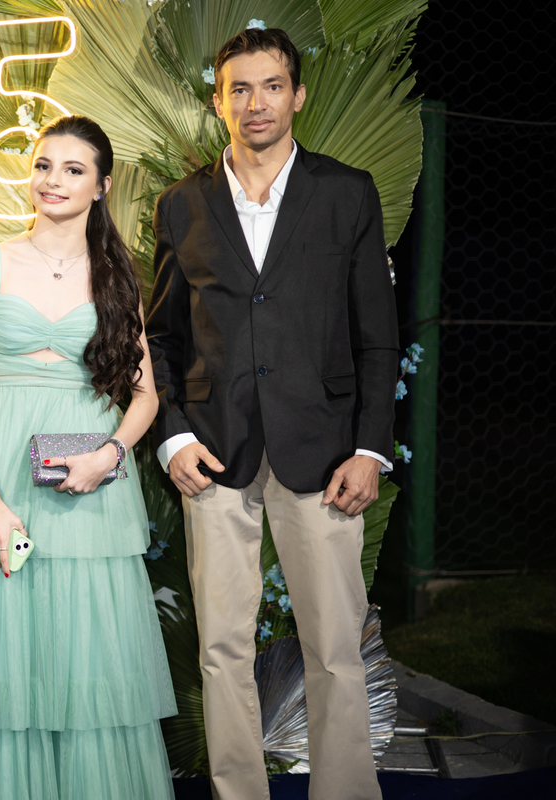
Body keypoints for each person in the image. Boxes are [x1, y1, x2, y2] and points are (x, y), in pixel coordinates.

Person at [147, 27, 397, 800]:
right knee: (221, 650)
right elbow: (160, 335)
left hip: (324, 456)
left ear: (298, 95)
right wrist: (172, 436)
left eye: (272, 86)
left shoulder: (346, 193)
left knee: (335, 649)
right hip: (213, 453)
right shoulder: (181, 204)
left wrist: (369, 449)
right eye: (240, 89)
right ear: (217, 101)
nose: (256, 103)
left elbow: (377, 334)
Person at [0, 115, 176, 799]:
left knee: (90, 643)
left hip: (91, 483)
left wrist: (108, 456)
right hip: (3, 477)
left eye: (73, 170)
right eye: (44, 165)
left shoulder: (116, 278)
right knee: (7, 643)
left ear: (101, 186)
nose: (53, 180)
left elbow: (145, 397)